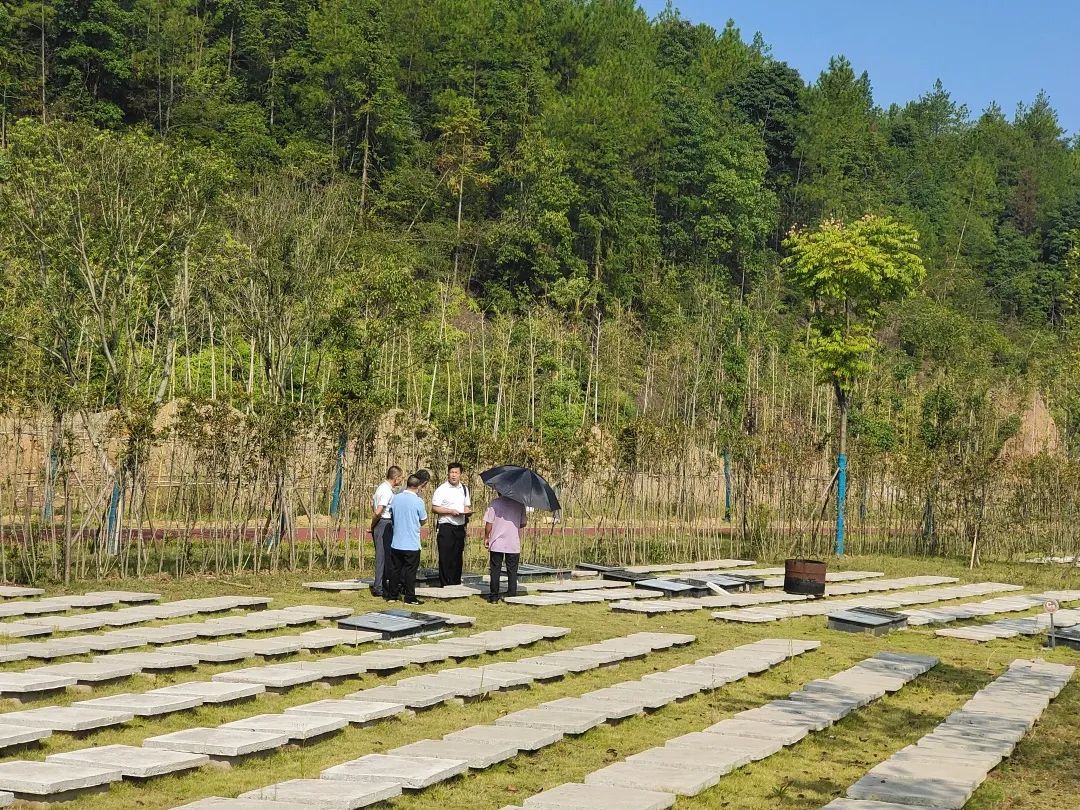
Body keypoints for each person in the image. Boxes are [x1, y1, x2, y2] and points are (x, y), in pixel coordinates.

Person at [387, 471, 429, 604]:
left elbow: (392, 515)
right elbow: (423, 520)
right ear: (418, 487)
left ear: (407, 484)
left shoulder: (396, 498)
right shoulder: (418, 501)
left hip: (397, 541)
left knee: (395, 570)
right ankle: (410, 597)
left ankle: (392, 595)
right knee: (410, 571)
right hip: (411, 543)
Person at [431, 462, 471, 586]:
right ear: (448, 474)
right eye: (452, 472)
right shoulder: (442, 489)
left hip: (459, 526)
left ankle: (455, 582)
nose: (454, 475)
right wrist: (449, 511)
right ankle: (444, 583)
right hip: (446, 526)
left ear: (460, 474)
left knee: (457, 556)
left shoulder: (464, 489)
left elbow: (466, 506)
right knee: (445, 556)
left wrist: (467, 512)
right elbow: (434, 508)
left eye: (456, 473)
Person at [484, 490, 527, 602]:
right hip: (512, 542)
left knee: (495, 569)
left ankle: (494, 596)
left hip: (497, 542)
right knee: (512, 570)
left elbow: (489, 523)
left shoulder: (495, 503)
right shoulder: (520, 504)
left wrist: (486, 536)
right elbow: (523, 523)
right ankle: (512, 594)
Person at [368, 465, 402, 599]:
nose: (400, 481)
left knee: (386, 555)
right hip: (383, 522)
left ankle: (383, 583)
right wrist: (373, 524)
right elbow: (378, 510)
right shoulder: (386, 491)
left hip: (383, 523)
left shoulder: (381, 488)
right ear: (395, 478)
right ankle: (378, 587)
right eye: (400, 478)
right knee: (381, 556)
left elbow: (372, 503)